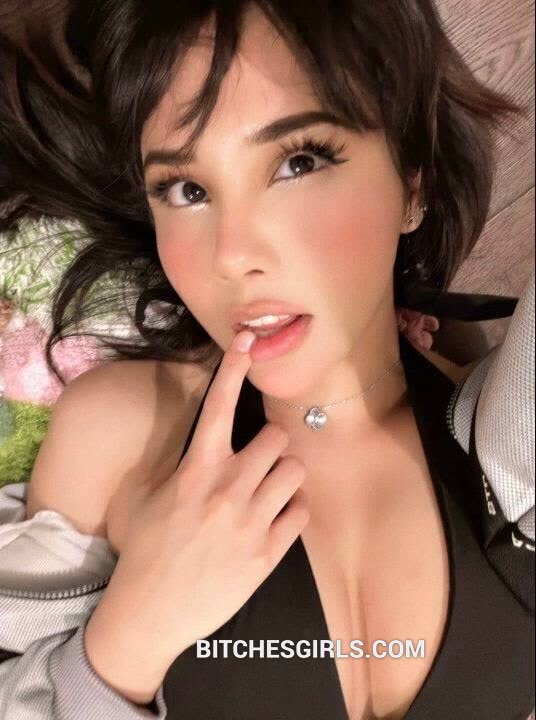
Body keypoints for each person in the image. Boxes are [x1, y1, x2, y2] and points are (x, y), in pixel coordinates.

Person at [0, 1, 533, 718]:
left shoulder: (499, 428)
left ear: (413, 185)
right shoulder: (125, 432)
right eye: (187, 190)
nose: (231, 256)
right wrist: (126, 642)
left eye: (297, 162)